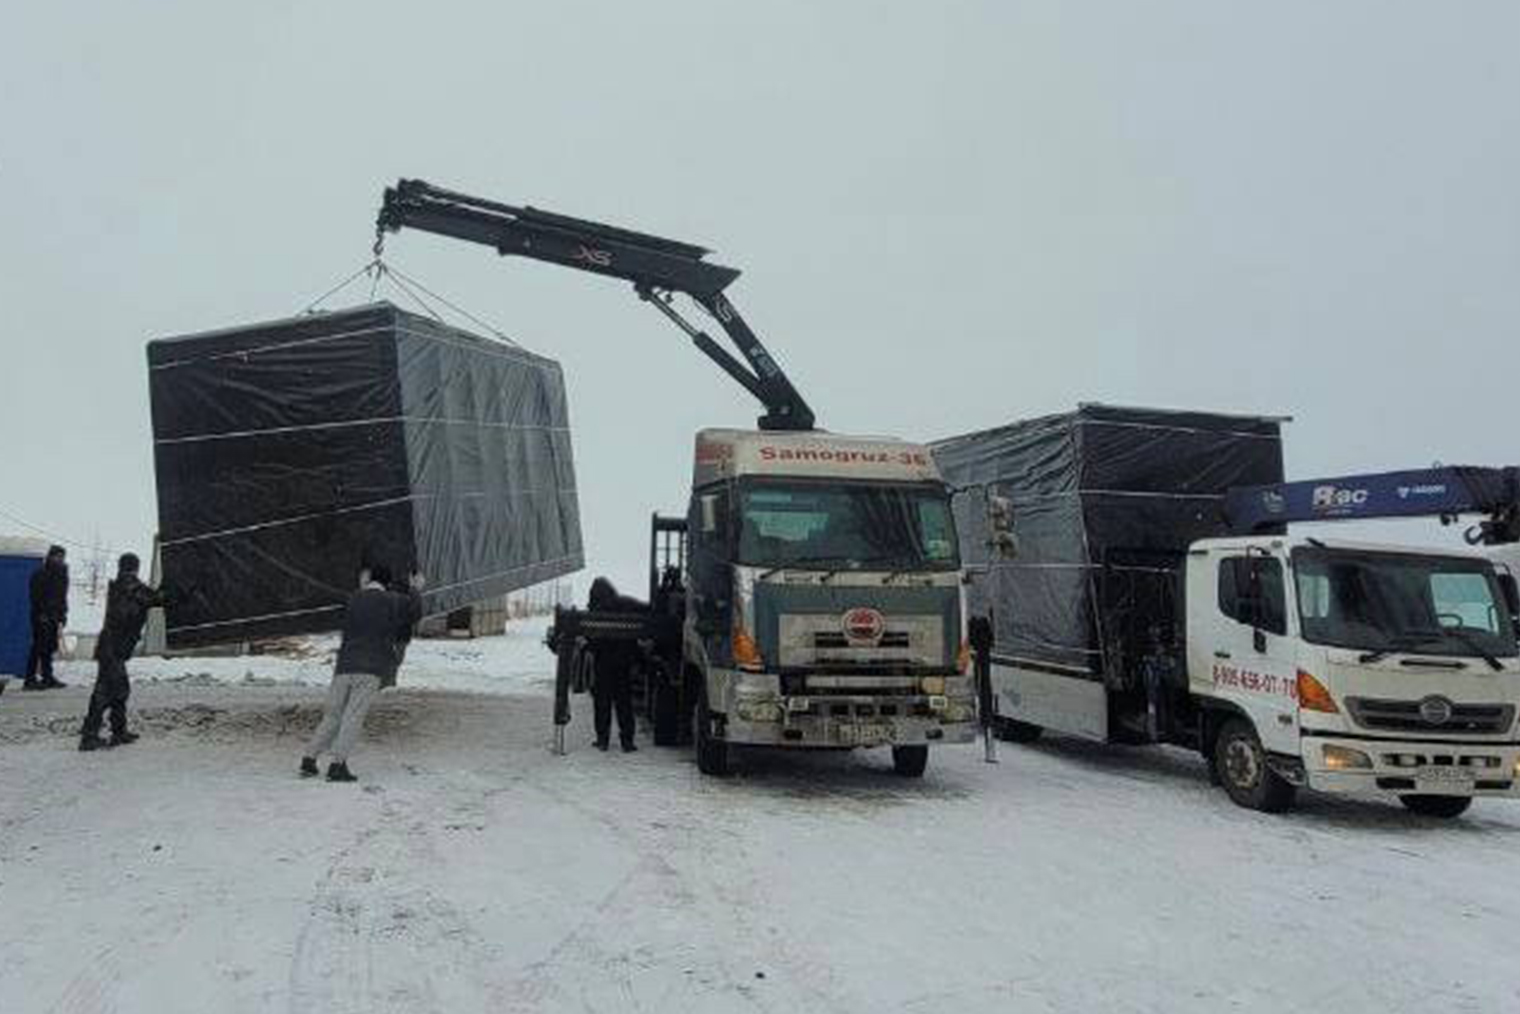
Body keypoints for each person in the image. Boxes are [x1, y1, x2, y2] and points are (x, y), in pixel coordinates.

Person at [300, 564, 424, 783]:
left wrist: (361, 587)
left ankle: (309, 760)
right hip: (370, 668)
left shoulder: (352, 599)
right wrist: (415, 588)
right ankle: (338, 765)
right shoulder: (393, 601)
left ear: (368, 580)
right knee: (353, 717)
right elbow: (414, 613)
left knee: (332, 716)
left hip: (344, 666)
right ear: (388, 584)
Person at [80, 553, 168, 751]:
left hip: (110, 647)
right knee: (107, 692)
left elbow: (152, 598)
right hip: (113, 648)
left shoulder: (123, 586)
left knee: (116, 690)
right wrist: (167, 582)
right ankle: (90, 736)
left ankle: (118, 731)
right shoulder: (131, 587)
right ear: (135, 568)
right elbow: (156, 599)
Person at [587, 577, 643, 753]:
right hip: (623, 664)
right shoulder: (626, 604)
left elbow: (591, 639)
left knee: (602, 703)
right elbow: (646, 613)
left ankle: (602, 740)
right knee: (624, 703)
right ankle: (627, 742)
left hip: (603, 663)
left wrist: (590, 646)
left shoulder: (595, 611)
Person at [24, 545, 69, 691]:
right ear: (50, 556)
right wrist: (41, 614)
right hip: (41, 616)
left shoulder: (62, 575)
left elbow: (62, 597)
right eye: (57, 556)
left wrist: (63, 615)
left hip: (55, 616)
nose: (60, 559)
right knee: (38, 647)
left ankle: (47, 677)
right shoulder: (40, 574)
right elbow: (35, 596)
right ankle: (29, 679)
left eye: (62, 557)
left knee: (49, 647)